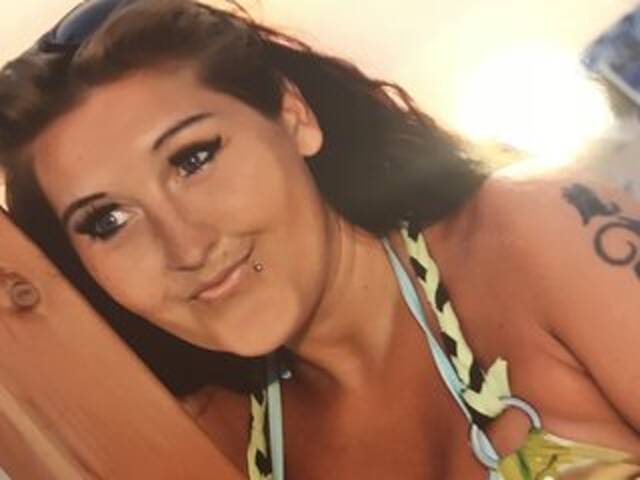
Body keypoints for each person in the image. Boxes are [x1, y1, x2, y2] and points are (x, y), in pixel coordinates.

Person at [0, 0, 638, 478]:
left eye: (194, 158)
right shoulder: (206, 446)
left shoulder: (531, 232)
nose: (186, 248)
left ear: (293, 116)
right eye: (107, 221)